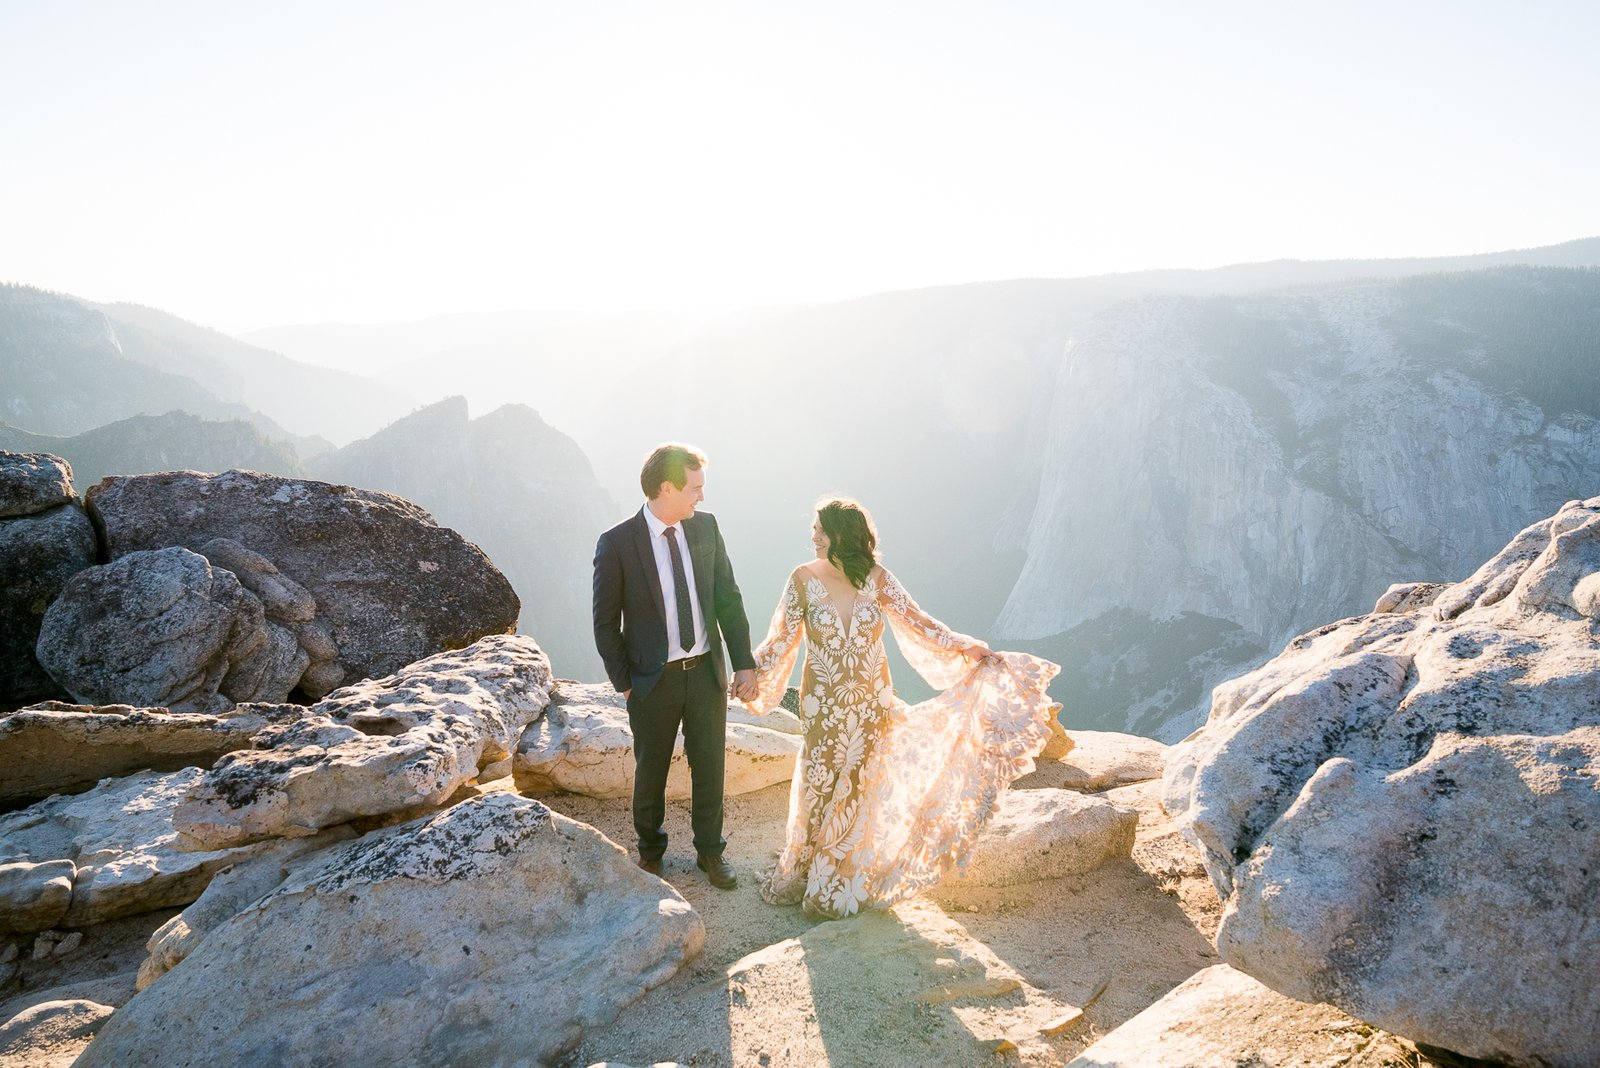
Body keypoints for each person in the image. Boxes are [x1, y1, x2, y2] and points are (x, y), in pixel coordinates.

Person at [741, 498, 1060, 918]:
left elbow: (920, 623)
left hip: (873, 703)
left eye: (820, 530)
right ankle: (805, 870)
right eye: (814, 530)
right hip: (823, 706)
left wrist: (967, 647)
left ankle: (839, 881)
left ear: (842, 533)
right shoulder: (801, 579)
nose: (813, 537)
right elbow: (780, 639)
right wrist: (749, 675)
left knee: (859, 788)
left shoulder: (878, 579)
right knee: (818, 787)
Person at [592, 443, 758, 889]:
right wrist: (625, 684)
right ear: (666, 487)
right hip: (651, 681)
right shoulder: (617, 543)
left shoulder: (705, 529)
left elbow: (728, 595)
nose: (701, 497)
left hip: (705, 673)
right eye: (695, 488)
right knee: (652, 769)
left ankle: (711, 852)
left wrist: (744, 664)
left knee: (710, 766)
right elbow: (605, 623)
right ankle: (650, 850)